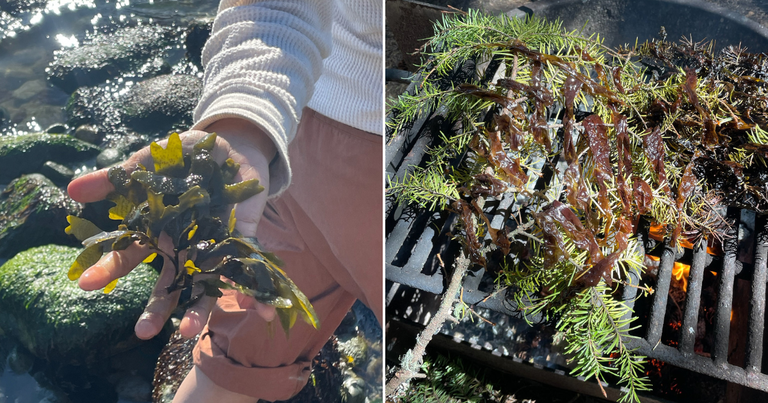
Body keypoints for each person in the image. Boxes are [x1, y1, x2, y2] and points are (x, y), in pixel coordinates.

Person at [66, 0, 383, 401]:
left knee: (235, 356)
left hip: (287, 133)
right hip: (282, 140)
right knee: (240, 351)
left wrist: (243, 124)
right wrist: (244, 122)